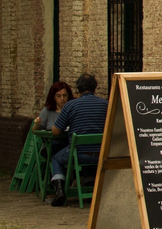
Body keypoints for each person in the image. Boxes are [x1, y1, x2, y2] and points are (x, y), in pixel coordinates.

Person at [49, 73, 108, 207]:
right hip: (101, 153)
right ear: (95, 87)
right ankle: (90, 184)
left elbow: (56, 131)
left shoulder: (70, 106)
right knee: (91, 151)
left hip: (80, 153)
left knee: (56, 158)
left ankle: (59, 190)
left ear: (78, 89)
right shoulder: (106, 104)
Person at [32, 81, 74, 154]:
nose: (62, 98)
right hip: (50, 145)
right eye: (59, 96)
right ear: (54, 97)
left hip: (68, 145)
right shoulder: (47, 111)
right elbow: (35, 131)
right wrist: (37, 124)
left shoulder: (72, 110)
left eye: (65, 95)